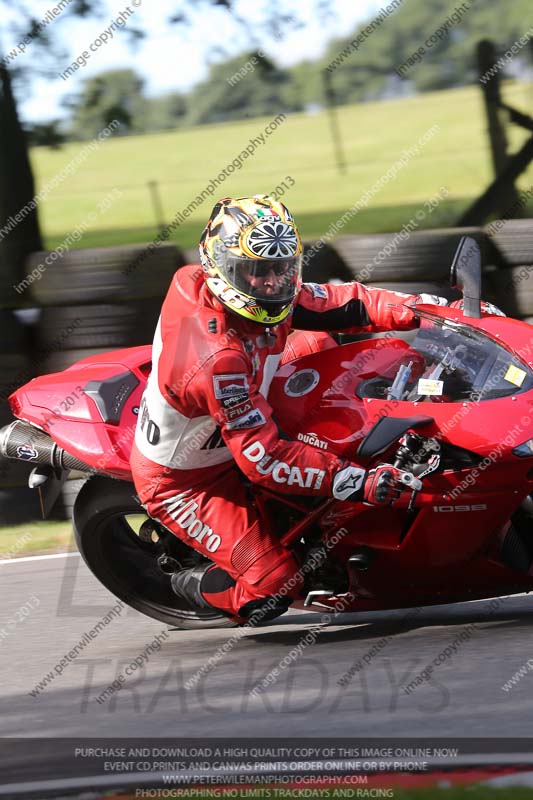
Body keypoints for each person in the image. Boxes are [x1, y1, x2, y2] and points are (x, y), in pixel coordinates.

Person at [129, 194, 497, 625]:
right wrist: (356, 480)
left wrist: (440, 313)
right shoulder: (214, 360)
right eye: (257, 271)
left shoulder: (246, 292)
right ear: (220, 269)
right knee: (273, 584)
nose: (272, 283)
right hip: (190, 478)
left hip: (248, 396)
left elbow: (351, 302)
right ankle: (190, 585)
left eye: (282, 267)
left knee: (365, 355)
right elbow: (262, 460)